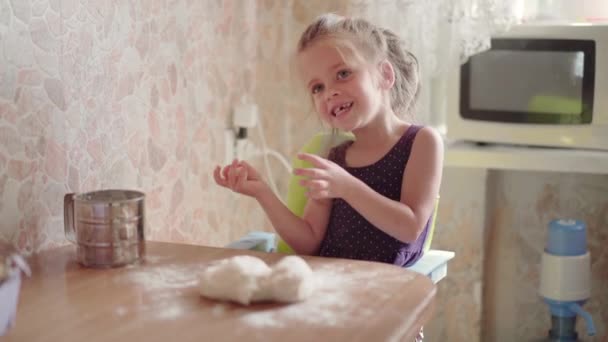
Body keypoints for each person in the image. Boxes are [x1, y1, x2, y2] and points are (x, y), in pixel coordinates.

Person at [213, 13, 443, 268]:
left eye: (343, 73)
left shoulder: (421, 142)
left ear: (384, 75)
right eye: (317, 88)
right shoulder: (333, 158)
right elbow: (308, 242)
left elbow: (410, 227)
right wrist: (262, 192)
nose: (329, 92)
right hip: (327, 279)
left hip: (384, 286)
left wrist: (347, 186)